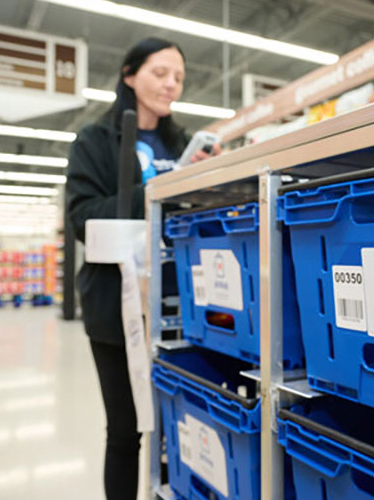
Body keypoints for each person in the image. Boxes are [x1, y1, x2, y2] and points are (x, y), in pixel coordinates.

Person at [66, 37, 220, 500]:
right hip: (116, 309)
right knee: (125, 430)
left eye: (178, 76)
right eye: (159, 73)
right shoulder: (95, 141)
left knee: (181, 423)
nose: (171, 84)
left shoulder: (184, 143)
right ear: (129, 75)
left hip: (182, 306)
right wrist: (162, 188)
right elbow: (83, 220)